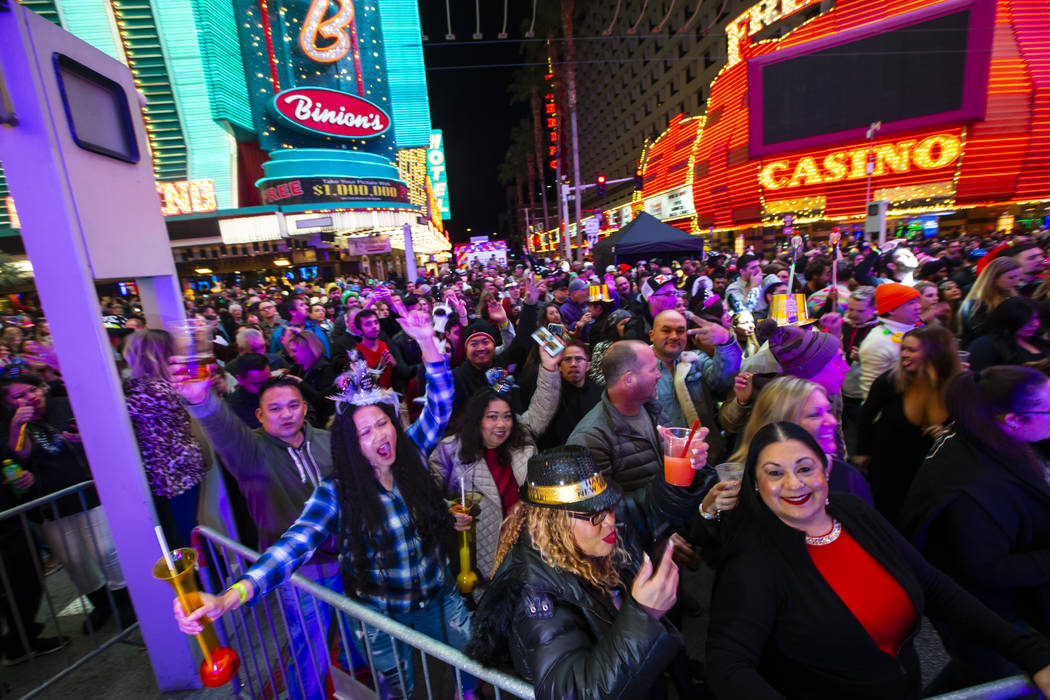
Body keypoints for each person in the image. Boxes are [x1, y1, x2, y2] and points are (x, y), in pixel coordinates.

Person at [173, 311, 474, 700]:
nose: (379, 434)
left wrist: (428, 344)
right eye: (365, 431)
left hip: (439, 598)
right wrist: (231, 595)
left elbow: (439, 406)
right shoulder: (336, 493)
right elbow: (292, 545)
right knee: (404, 690)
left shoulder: (411, 455)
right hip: (381, 615)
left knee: (467, 675)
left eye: (383, 423)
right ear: (350, 443)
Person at [704, 421, 1050, 700]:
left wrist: (1032, 654)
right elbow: (727, 664)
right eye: (775, 473)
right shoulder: (754, 558)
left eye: (805, 468)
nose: (795, 484)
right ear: (756, 485)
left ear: (826, 469)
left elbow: (935, 586)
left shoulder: (854, 512)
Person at [466, 444, 714, 699]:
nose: (609, 521)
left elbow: (647, 508)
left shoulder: (599, 529)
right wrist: (644, 616)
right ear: (556, 522)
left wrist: (683, 469)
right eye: (595, 513)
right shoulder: (534, 595)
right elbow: (573, 693)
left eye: (609, 506)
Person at [900, 367, 1050, 691]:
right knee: (995, 671)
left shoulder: (982, 433)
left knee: (974, 670)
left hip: (987, 602)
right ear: (1012, 420)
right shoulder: (972, 493)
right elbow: (989, 570)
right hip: (983, 610)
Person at [0, 370, 134, 634]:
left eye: (33, 389)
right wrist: (18, 427)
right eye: (20, 395)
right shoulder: (9, 426)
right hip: (49, 504)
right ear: (7, 403)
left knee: (105, 549)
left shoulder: (62, 405)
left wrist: (83, 439)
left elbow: (97, 432)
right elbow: (17, 456)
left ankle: (125, 600)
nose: (30, 397)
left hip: (86, 491)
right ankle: (102, 604)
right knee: (73, 558)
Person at [429, 346, 562, 589]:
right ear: (476, 419)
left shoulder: (521, 440)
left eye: (507, 416)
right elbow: (428, 496)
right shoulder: (450, 451)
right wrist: (449, 513)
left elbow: (543, 407)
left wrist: (550, 368)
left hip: (527, 548)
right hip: (479, 557)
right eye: (492, 417)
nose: (501, 424)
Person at [858, 325, 961, 525]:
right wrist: (863, 452)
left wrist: (948, 433)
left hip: (931, 473)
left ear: (936, 354)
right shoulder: (890, 381)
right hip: (889, 470)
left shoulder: (959, 388)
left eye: (912, 350)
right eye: (903, 349)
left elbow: (972, 426)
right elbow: (866, 414)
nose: (904, 355)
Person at [724, 376, 872, 505]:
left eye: (827, 411)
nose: (831, 421)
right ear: (782, 423)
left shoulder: (846, 477)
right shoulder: (736, 483)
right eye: (815, 415)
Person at [122, 330, 207, 550]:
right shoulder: (159, 385)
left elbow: (111, 416)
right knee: (185, 533)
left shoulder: (152, 391)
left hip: (171, 473)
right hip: (178, 469)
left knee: (182, 537)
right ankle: (210, 578)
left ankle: (208, 581)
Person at [650, 310, 741, 464]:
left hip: (705, 457)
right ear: (652, 335)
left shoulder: (696, 360)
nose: (674, 336)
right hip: (659, 461)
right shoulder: (639, 366)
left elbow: (724, 382)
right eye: (666, 330)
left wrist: (725, 342)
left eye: (680, 331)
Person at [858, 282, 922, 399]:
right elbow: (871, 393)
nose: (918, 306)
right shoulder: (877, 342)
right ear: (892, 310)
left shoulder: (915, 331)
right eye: (911, 303)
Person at [537, 340, 603, 450]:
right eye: (567, 359)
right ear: (560, 367)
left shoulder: (600, 394)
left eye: (579, 359)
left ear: (588, 366)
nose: (573, 364)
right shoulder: (550, 393)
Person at [968, 296, 1048, 370]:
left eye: (1036, 318)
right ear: (1009, 321)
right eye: (1028, 320)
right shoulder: (985, 345)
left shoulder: (1039, 340)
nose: (1036, 324)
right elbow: (978, 379)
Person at [958, 257, 1022, 346]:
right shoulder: (976, 303)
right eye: (1011, 278)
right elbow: (982, 335)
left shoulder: (1014, 294)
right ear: (993, 278)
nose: (1016, 282)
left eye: (1018, 277)